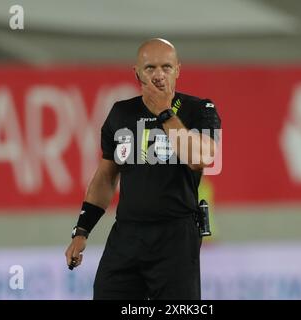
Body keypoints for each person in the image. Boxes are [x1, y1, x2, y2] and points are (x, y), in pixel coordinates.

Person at [64, 38, 221, 300]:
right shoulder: (120, 113)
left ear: (178, 70)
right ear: (136, 72)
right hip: (128, 234)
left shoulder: (200, 109)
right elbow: (105, 177)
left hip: (176, 237)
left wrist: (165, 113)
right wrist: (82, 231)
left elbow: (199, 157)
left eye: (166, 67)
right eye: (150, 68)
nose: (159, 75)